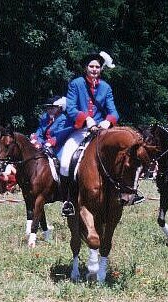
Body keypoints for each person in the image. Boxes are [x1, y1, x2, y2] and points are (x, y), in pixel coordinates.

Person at [57, 52, 124, 216]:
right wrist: (86, 119)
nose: (94, 69)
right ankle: (68, 200)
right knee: (65, 162)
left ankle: (124, 193)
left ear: (101, 69)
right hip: (81, 129)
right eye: (91, 66)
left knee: (121, 158)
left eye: (97, 67)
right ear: (86, 68)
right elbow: (71, 108)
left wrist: (108, 121)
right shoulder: (76, 84)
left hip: (102, 130)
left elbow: (113, 111)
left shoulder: (106, 87)